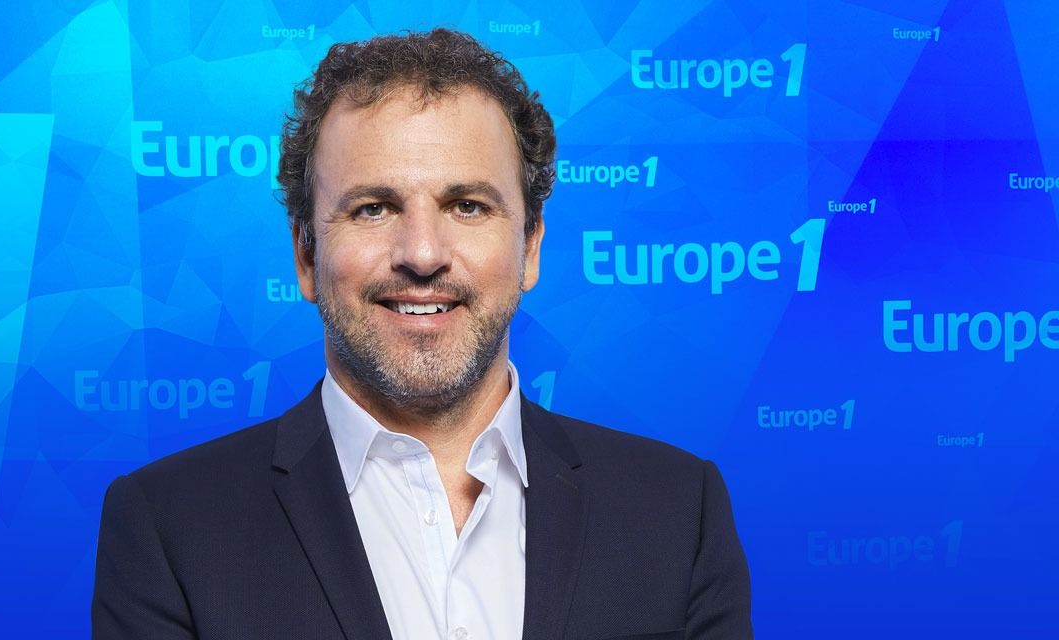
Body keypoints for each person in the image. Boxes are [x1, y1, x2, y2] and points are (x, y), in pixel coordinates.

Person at [92, 28, 751, 640]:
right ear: (306, 256)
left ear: (529, 248)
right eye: (373, 208)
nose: (423, 253)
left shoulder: (678, 511)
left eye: (468, 206)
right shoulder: (167, 529)